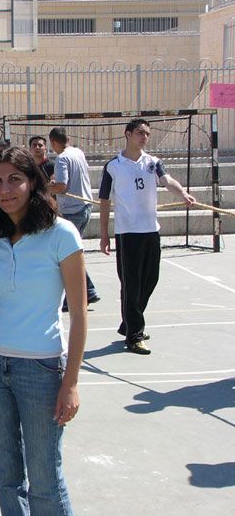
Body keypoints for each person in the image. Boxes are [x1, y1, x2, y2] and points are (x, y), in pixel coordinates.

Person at [0, 147, 87, 516]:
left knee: (44, 480)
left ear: (33, 182)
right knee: (6, 478)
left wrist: (70, 383)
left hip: (40, 368)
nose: (5, 190)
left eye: (14, 180)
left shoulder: (62, 234)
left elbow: (79, 314)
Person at [98, 119, 195, 355]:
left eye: (147, 134)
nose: (144, 137)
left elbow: (167, 180)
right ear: (128, 134)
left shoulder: (153, 162)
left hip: (150, 230)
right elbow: (104, 201)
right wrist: (104, 234)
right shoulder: (113, 166)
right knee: (131, 284)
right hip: (127, 233)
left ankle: (130, 322)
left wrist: (183, 193)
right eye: (140, 133)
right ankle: (135, 335)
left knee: (150, 279)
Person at [47, 127, 101, 311]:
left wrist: (43, 188)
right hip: (84, 207)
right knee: (71, 252)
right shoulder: (78, 152)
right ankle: (89, 291)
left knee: (66, 255)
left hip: (73, 210)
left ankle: (80, 295)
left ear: (53, 142)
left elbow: (62, 187)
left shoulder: (62, 158)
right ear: (68, 138)